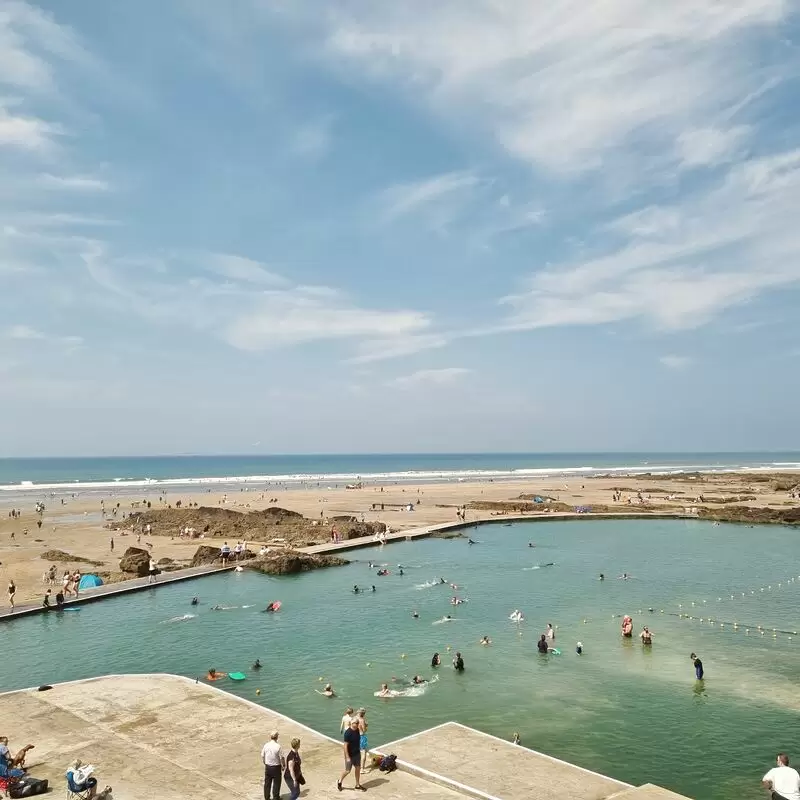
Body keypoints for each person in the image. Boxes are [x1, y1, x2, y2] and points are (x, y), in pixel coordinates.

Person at [338, 718, 366, 792]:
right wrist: (347, 757)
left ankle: (357, 785)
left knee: (358, 768)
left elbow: (363, 734)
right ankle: (340, 781)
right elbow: (345, 745)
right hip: (349, 755)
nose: (356, 724)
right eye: (355, 723)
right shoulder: (348, 733)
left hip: (357, 753)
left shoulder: (357, 730)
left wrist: (361, 728)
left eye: (357, 723)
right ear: (351, 723)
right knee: (347, 771)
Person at [261, 730, 285, 800]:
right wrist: (283, 765)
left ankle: (267, 798)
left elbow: (262, 755)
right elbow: (281, 758)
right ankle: (276, 797)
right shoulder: (278, 746)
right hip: (276, 767)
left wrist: (265, 763)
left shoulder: (266, 745)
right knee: (276, 784)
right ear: (277, 737)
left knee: (267, 784)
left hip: (268, 767)